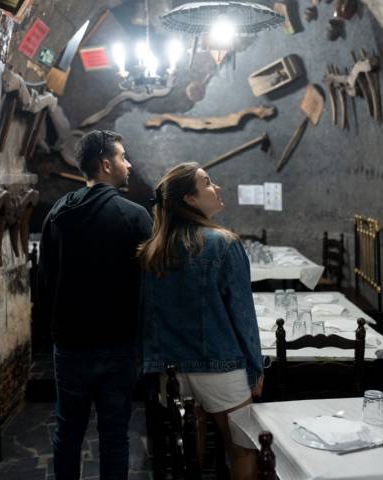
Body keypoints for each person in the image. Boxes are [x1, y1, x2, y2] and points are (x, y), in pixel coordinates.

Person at [38, 130, 152, 480]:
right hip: (118, 344)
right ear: (106, 164)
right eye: (122, 157)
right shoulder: (135, 217)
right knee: (115, 436)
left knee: (67, 432)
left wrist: (55, 333)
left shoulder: (57, 213)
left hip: (70, 344)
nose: (128, 163)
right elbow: (151, 285)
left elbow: (44, 281)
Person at [137, 162, 263, 479]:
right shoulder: (224, 244)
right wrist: (256, 367)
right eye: (207, 183)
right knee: (243, 449)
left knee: (190, 453)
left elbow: (148, 318)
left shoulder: (154, 249)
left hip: (172, 372)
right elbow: (243, 315)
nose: (216, 188)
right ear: (190, 200)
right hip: (220, 365)